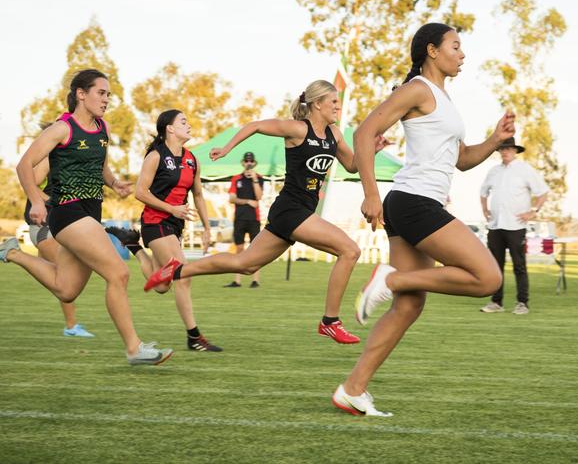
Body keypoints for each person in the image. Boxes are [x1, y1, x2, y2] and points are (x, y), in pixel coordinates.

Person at [332, 23, 515, 416]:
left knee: (408, 306)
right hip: (414, 202)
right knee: (488, 277)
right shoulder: (417, 88)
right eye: (455, 46)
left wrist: (496, 140)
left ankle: (352, 388)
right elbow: (365, 133)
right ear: (432, 50)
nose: (462, 54)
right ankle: (389, 278)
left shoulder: (444, 100)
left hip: (415, 204)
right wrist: (370, 193)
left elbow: (462, 160)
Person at [145, 79, 389, 345]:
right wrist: (227, 149)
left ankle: (177, 271)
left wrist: (372, 151)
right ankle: (330, 322)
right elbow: (256, 126)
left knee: (245, 264)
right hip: (291, 209)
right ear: (317, 104)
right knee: (350, 250)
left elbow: (353, 165)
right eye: (333, 102)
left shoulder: (335, 134)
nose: (338, 108)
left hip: (299, 211)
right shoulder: (297, 129)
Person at [0, 69, 172, 365]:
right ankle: (134, 348)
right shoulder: (61, 129)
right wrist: (36, 201)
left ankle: (12, 253)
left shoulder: (102, 128)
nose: (107, 99)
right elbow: (24, 165)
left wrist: (115, 182)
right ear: (81, 94)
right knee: (119, 273)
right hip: (67, 211)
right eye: (101, 93)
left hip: (91, 210)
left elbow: (100, 167)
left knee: (66, 289)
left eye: (108, 94)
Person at [107, 109, 222, 352]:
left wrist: (206, 227)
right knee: (183, 273)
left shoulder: (192, 159)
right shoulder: (155, 156)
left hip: (174, 225)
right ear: (169, 128)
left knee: (161, 286)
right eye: (183, 121)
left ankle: (133, 246)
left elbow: (199, 195)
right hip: (155, 221)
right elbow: (140, 192)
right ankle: (194, 337)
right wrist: (171, 209)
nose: (188, 125)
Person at [25, 156, 94, 337]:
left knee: (54, 273)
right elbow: (31, 182)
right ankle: (71, 326)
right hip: (44, 224)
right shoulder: (52, 155)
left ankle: (15, 254)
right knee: (65, 278)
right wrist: (52, 200)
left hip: (58, 223)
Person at [479, 137, 549, 315]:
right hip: (496, 226)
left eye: (509, 149)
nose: (505, 151)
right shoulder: (494, 171)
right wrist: (485, 210)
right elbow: (483, 192)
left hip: (515, 225)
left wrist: (533, 211)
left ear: (515, 151)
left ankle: (522, 303)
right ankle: (496, 302)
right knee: (495, 266)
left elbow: (542, 192)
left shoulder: (525, 170)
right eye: (502, 149)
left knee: (519, 266)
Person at [223, 151, 264, 288]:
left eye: (251, 161)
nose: (249, 163)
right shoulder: (236, 179)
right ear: (243, 162)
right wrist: (247, 201)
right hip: (240, 218)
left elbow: (259, 197)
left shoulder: (259, 178)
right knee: (239, 249)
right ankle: (237, 280)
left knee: (255, 249)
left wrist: (254, 180)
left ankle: (255, 280)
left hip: (254, 219)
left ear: (254, 163)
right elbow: (231, 198)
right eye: (246, 161)